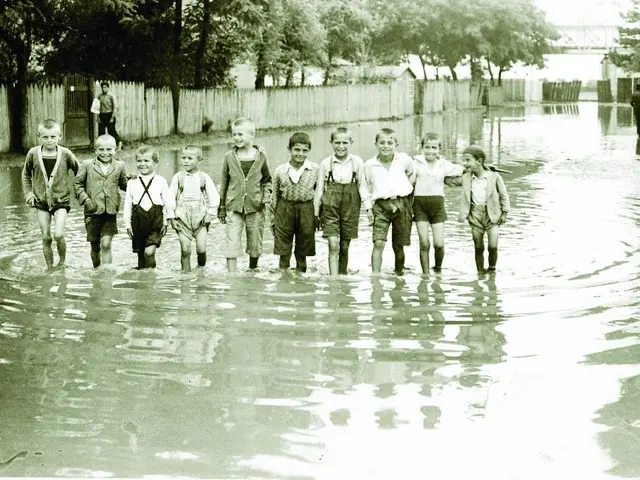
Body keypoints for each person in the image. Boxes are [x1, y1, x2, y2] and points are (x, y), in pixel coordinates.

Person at [21, 118, 79, 270]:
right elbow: (25, 175)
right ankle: (49, 267)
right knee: (46, 237)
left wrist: (82, 193)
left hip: (61, 201)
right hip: (41, 201)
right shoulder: (33, 154)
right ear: (38, 136)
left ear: (60, 136)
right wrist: (29, 194)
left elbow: (80, 172)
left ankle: (62, 263)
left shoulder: (66, 154)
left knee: (58, 235)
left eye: (53, 136)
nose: (49, 140)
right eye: (45, 137)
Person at [314, 127, 372, 276]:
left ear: (351, 142)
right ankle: (333, 281)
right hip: (330, 207)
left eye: (345, 142)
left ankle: (342, 276)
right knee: (333, 244)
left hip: (351, 206)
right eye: (337, 142)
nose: (341, 146)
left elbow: (362, 185)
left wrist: (369, 208)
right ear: (331, 143)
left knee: (344, 246)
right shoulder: (326, 163)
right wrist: (316, 213)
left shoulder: (357, 162)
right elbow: (319, 190)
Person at [218, 117, 272, 272]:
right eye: (234, 134)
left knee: (255, 242)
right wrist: (221, 207)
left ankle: (253, 271)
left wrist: (265, 198)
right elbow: (224, 183)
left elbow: (268, 180)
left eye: (240, 134)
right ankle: (232, 277)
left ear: (252, 135)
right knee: (232, 241)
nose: (236, 138)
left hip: (255, 206)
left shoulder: (261, 156)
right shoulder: (229, 156)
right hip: (233, 206)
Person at [446, 146, 510, 274]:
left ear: (479, 161)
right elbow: (448, 180)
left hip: (492, 215)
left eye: (468, 160)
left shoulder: (494, 176)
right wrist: (462, 170)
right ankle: (480, 272)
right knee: (478, 246)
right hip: (475, 215)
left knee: (493, 246)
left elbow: (504, 195)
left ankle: (492, 270)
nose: (465, 163)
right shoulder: (466, 178)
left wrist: (504, 213)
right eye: (463, 160)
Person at [74, 134, 133, 269]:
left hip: (110, 212)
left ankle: (106, 274)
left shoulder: (120, 165)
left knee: (106, 245)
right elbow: (77, 185)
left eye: (109, 149)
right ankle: (97, 270)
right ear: (95, 150)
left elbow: (124, 186)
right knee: (95, 247)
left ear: (115, 150)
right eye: (101, 149)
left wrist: (134, 181)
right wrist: (86, 200)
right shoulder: (87, 165)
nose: (105, 153)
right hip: (92, 212)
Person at [363, 128, 416, 275]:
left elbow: (413, 172)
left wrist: (407, 188)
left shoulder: (403, 159)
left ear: (396, 144)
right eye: (382, 142)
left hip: (402, 204)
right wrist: (368, 208)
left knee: (398, 246)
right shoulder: (370, 165)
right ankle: (375, 278)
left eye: (390, 142)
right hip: (380, 205)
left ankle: (399, 275)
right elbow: (364, 187)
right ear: (376, 144)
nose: (386, 146)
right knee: (378, 242)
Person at [412, 132, 464, 273]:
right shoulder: (415, 163)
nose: (430, 151)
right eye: (427, 147)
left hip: (438, 206)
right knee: (424, 243)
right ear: (422, 148)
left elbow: (462, 169)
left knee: (439, 244)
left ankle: (438, 269)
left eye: (434, 148)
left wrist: (481, 167)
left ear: (439, 149)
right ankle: (425, 275)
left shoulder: (443, 164)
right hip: (419, 205)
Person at [271, 132, 319, 273]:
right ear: (289, 149)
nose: (300, 154)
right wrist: (273, 219)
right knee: (283, 251)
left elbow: (319, 195)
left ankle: (301, 280)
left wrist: (317, 216)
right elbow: (275, 196)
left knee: (302, 251)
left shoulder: (315, 169)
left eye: (305, 150)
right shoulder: (280, 170)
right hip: (285, 209)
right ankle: (283, 279)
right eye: (297, 150)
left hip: (306, 209)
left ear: (309, 151)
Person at [168, 145, 220, 272]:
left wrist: (210, 214)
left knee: (201, 249)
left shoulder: (204, 178)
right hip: (182, 219)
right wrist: (171, 217)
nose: (185, 161)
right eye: (184, 158)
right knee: (185, 250)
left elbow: (215, 198)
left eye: (190, 158)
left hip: (200, 219)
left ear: (199, 160)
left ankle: (201, 271)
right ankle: (185, 275)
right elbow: (170, 199)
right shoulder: (178, 177)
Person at [123, 145, 174, 269]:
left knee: (149, 252)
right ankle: (143, 283)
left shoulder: (161, 181)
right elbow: (128, 204)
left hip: (155, 220)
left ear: (156, 162)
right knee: (140, 256)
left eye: (146, 161)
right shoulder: (131, 182)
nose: (142, 164)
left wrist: (167, 221)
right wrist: (127, 225)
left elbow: (168, 202)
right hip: (137, 221)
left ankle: (152, 276)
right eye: (139, 161)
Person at [97, 81, 122, 150]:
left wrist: (112, 117)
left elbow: (115, 107)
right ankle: (101, 146)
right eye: (102, 87)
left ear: (108, 88)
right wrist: (98, 116)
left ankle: (118, 143)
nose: (103, 89)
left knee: (111, 131)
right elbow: (98, 107)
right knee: (101, 131)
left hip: (109, 115)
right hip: (102, 115)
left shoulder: (111, 96)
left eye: (105, 87)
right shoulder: (99, 96)